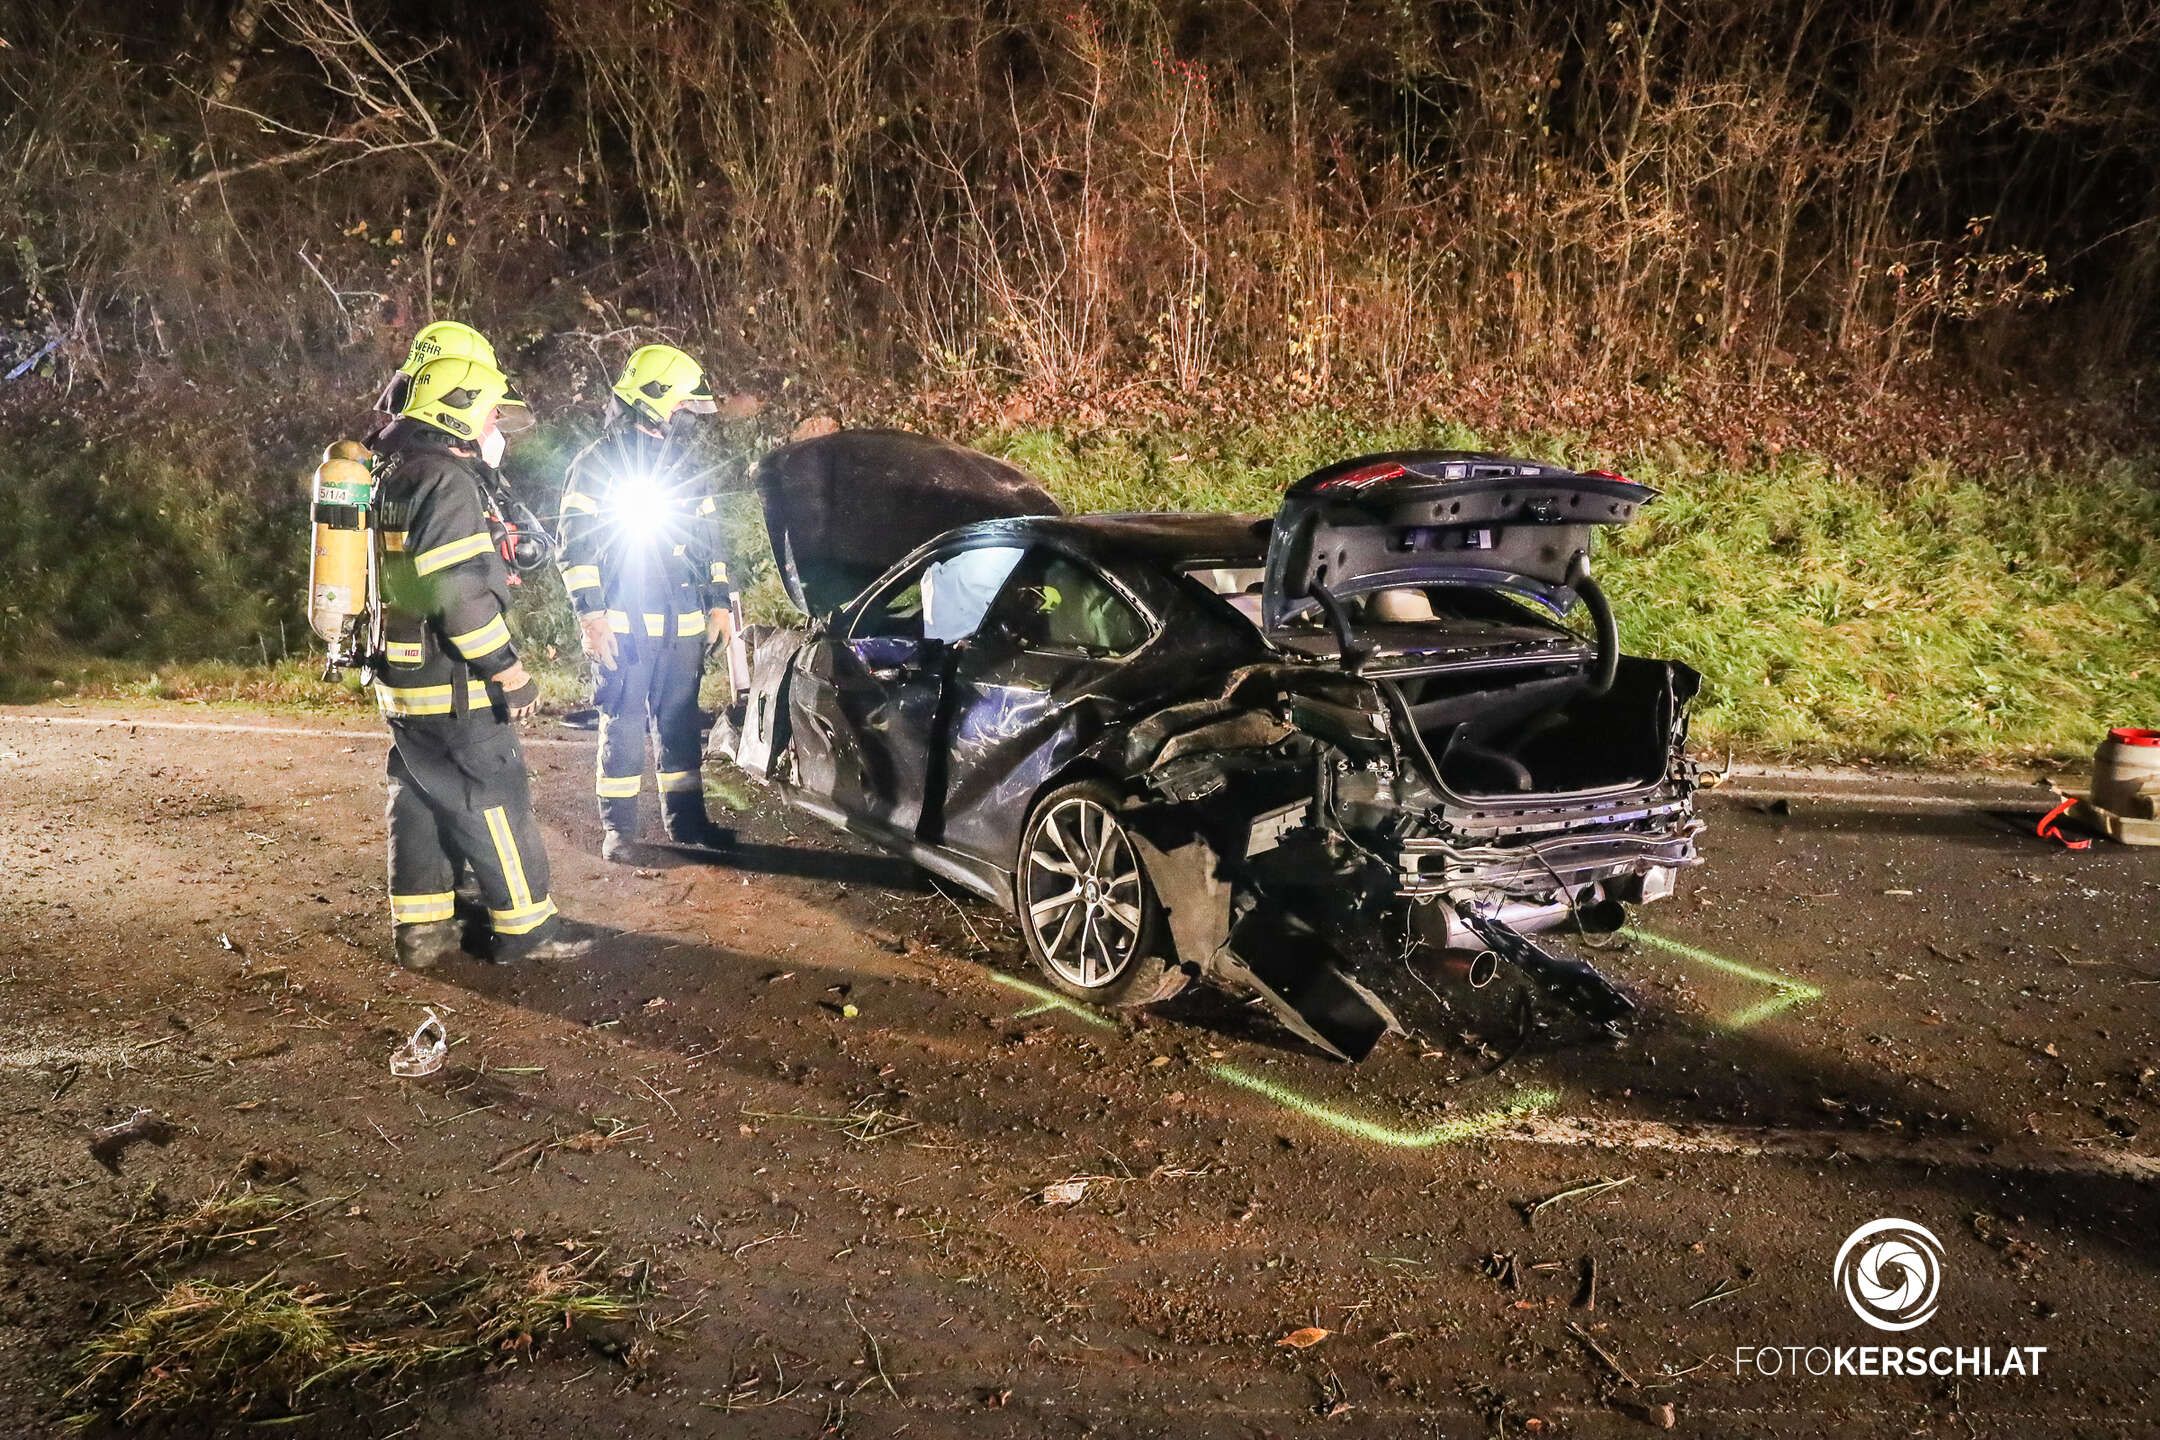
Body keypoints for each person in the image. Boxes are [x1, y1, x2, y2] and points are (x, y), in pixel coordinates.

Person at [372, 350, 590, 968]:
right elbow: (457, 591)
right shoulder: (447, 481)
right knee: (491, 794)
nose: (498, 428)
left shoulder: (400, 473)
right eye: (493, 414)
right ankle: (527, 930)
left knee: (419, 795)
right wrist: (508, 670)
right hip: (455, 680)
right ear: (459, 412)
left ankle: (422, 932)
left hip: (406, 677)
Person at [555, 344, 736, 861]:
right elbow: (577, 547)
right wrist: (590, 615)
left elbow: (710, 541)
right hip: (624, 623)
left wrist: (719, 603)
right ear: (653, 399)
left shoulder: (685, 463)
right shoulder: (596, 464)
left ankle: (688, 823)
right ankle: (621, 832)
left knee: (679, 723)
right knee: (624, 723)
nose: (685, 415)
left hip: (682, 624)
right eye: (679, 404)